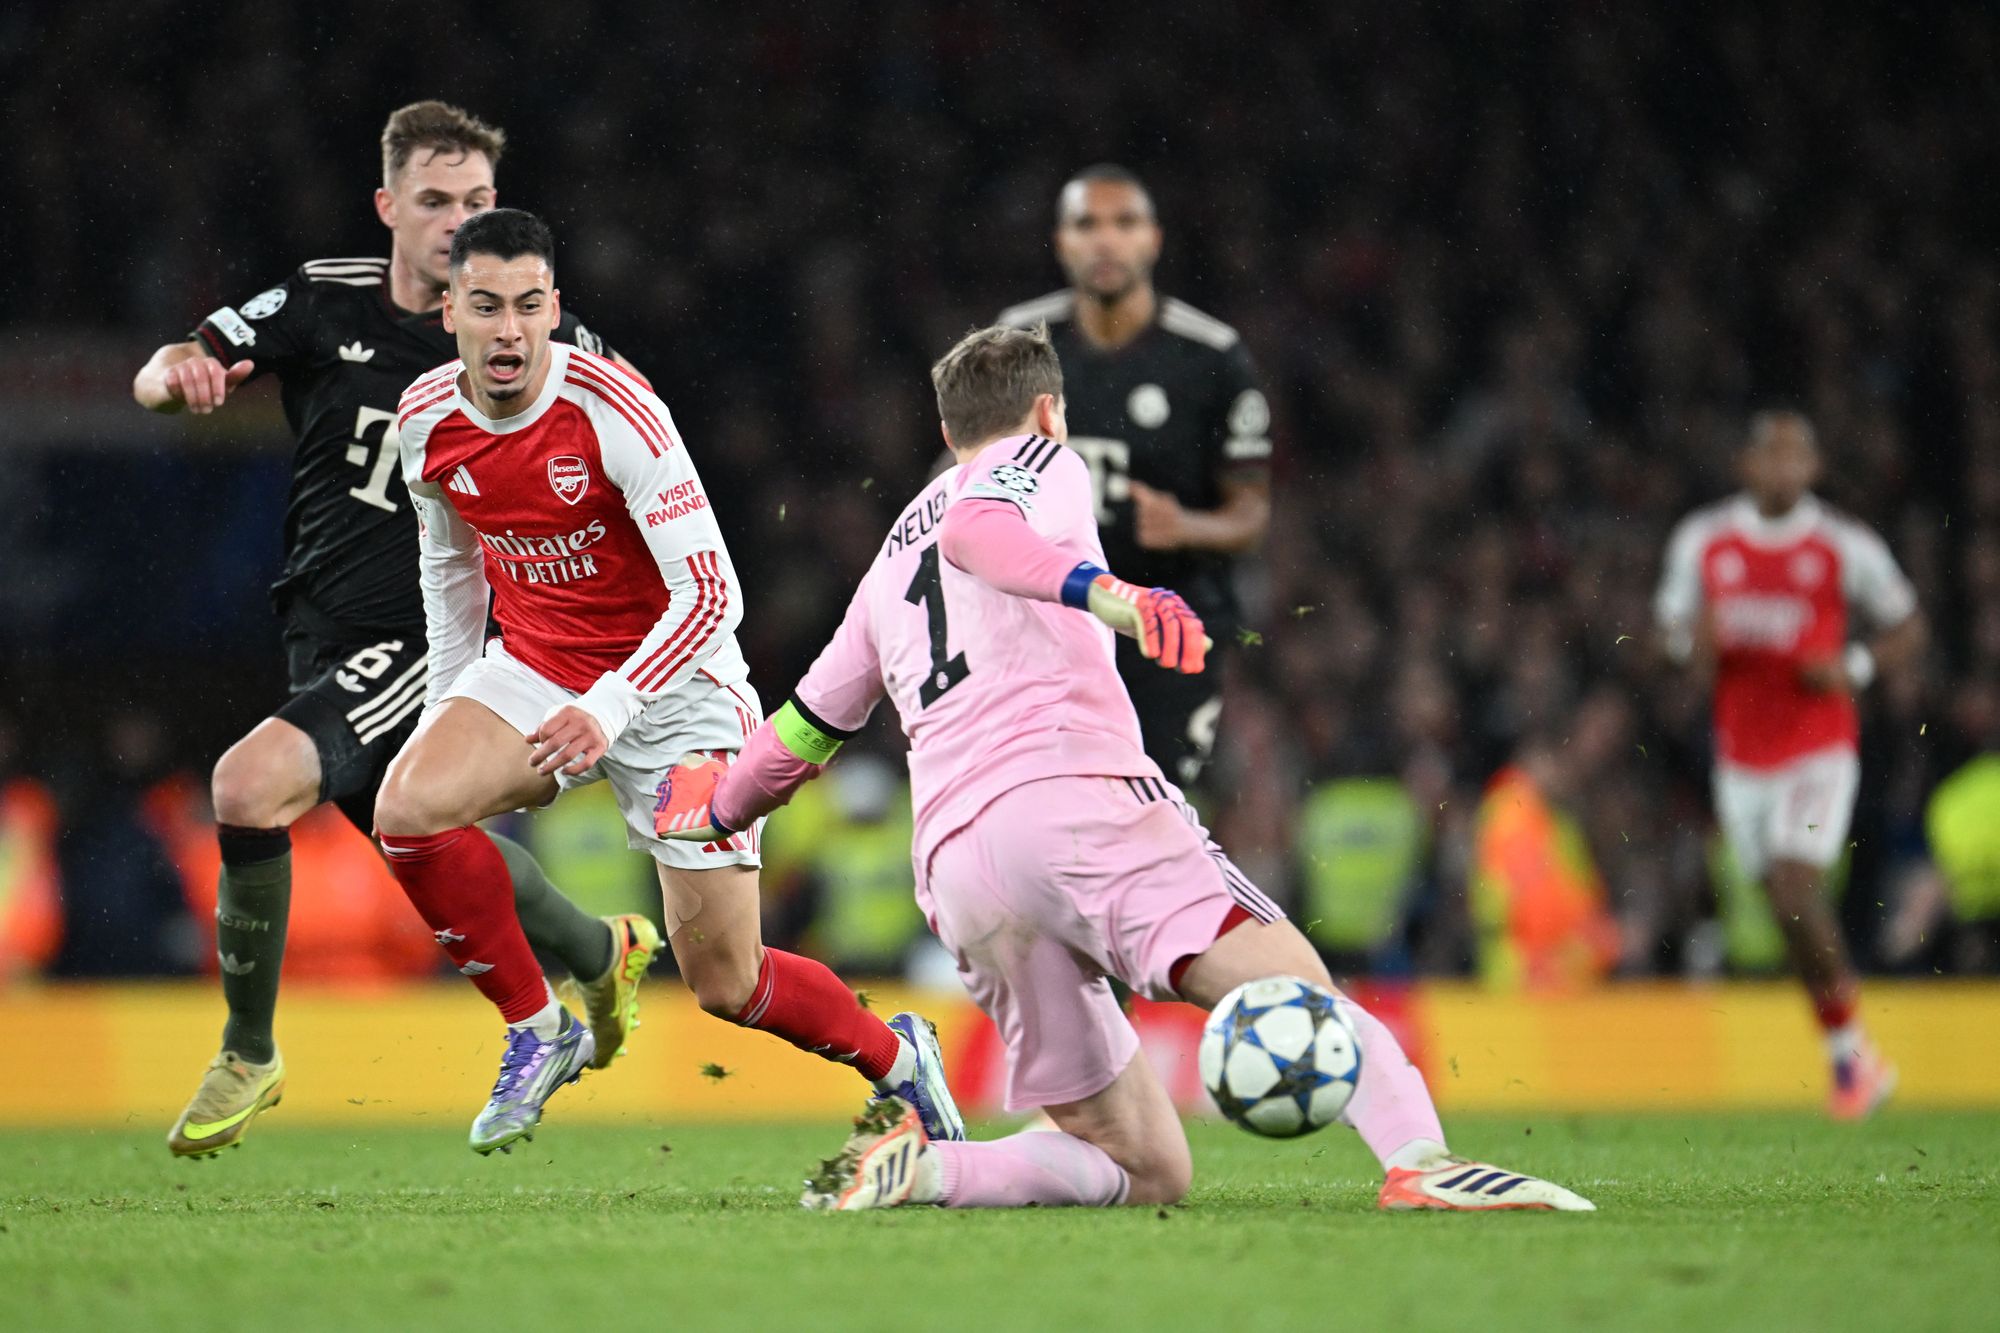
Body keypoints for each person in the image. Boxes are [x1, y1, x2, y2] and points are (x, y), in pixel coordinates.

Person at [654, 324, 1591, 1212]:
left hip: (959, 872)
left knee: (1141, 1163)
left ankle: (931, 1167)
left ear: (944, 428)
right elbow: (976, 528)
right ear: (1052, 411)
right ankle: (1422, 1163)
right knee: (1303, 992)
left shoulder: (882, 566)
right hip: (1074, 800)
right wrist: (1109, 592)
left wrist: (720, 809)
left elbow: (811, 723)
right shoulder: (1035, 460)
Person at [131, 102, 658, 1157]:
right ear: (387, 207)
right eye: (434, 203)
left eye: (477, 203)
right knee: (428, 844)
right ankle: (600, 950)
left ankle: (249, 1049)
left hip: (435, 638)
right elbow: (171, 365)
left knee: (246, 785)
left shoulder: (531, 336)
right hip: (320, 627)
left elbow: (639, 446)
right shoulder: (324, 299)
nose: (459, 223)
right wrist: (176, 376)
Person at [380, 208, 959, 1155]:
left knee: (726, 981)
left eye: (530, 306)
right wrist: (451, 701)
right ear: (449, 311)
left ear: (554, 308)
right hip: (533, 666)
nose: (509, 330)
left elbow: (711, 593)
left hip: (675, 684)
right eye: (486, 306)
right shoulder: (424, 420)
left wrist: (610, 709)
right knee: (408, 809)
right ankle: (538, 1026)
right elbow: (450, 569)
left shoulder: (614, 410)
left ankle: (896, 1058)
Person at [1655, 409, 1925, 1119]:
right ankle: (1852, 1049)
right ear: (1746, 466)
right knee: (1783, 903)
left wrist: (1855, 665)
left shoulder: (1841, 543)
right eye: (1769, 456)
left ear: (1813, 468)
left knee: (1791, 884)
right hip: (1742, 758)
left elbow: (1908, 621)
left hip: (1819, 744)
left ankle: (1849, 1061)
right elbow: (1667, 638)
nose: (1783, 469)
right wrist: (1692, 648)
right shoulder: (1704, 540)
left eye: (1796, 457)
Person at [996, 165, 1271, 789]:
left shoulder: (1211, 358)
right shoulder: (1017, 340)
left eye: (1124, 223)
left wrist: (1186, 524)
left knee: (1155, 806)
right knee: (1043, 806)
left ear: (1153, 239)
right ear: (1061, 241)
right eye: (1086, 224)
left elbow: (1252, 513)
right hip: (1050, 619)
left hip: (1168, 623)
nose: (1105, 241)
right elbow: (959, 466)